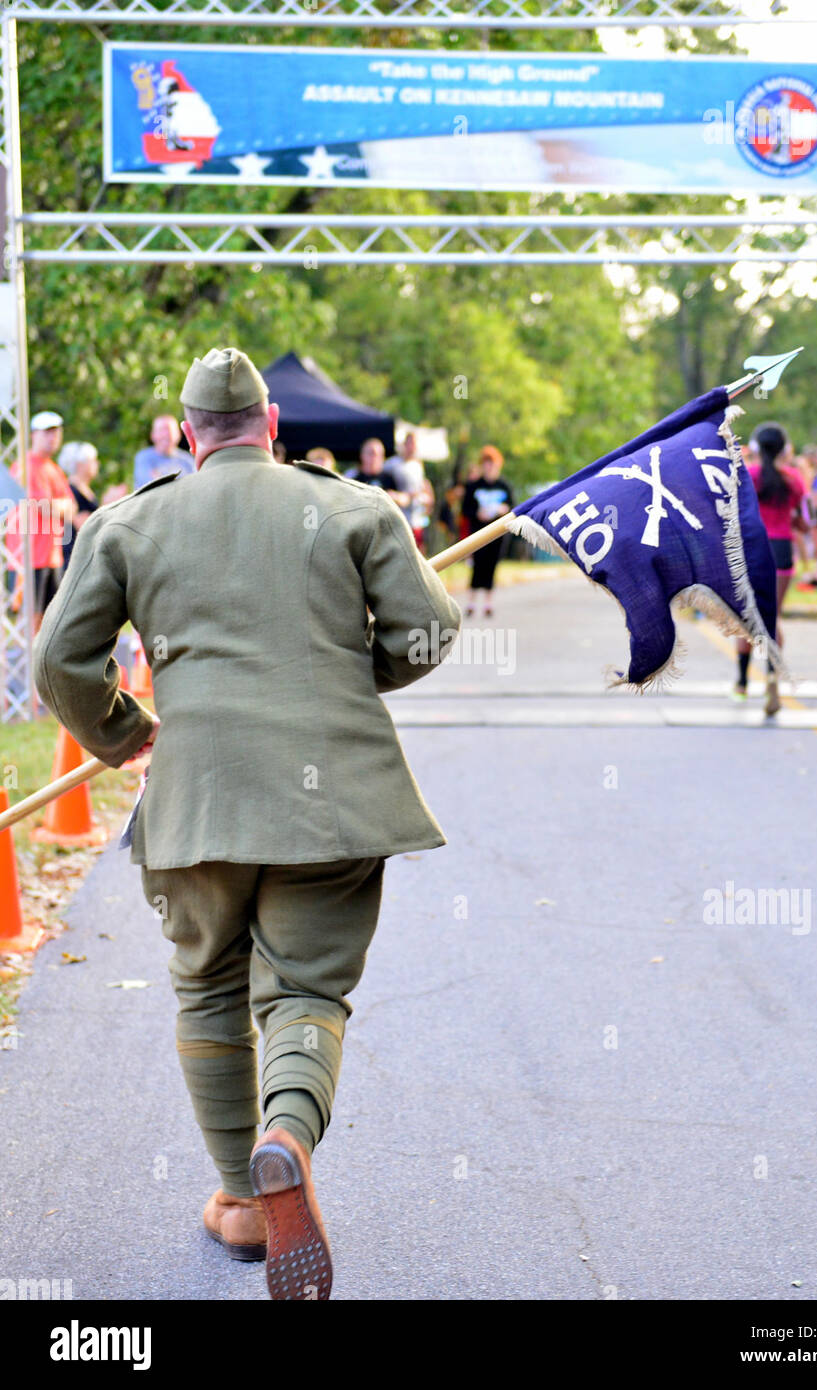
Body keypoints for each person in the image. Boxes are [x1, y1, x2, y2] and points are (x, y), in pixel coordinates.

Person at [33, 347, 461, 1302]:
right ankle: (286, 1139)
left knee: (209, 990)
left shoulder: (127, 523)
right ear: (275, 426)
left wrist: (128, 733)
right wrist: (350, 677)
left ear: (186, 437)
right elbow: (427, 634)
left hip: (198, 800)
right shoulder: (355, 507)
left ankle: (237, 1197)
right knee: (307, 992)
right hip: (335, 800)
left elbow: (60, 665)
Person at [734, 422, 806, 715]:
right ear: (783, 448)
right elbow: (803, 518)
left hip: (753, 551)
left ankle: (741, 683)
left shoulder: (748, 476)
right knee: (771, 619)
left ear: (756, 447)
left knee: (747, 619)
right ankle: (772, 677)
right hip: (782, 552)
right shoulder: (794, 480)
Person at [4, 410, 77, 632]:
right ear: (34, 435)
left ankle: (40, 666)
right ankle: (26, 667)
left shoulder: (53, 469)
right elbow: (46, 508)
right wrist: (59, 506)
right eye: (47, 432)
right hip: (28, 557)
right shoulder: (25, 466)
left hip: (50, 557)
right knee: (30, 622)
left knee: (50, 621)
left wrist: (59, 507)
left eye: (56, 432)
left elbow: (71, 508)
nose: (52, 437)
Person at [461, 446, 515, 619]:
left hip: (497, 534)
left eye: (492, 464)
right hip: (478, 531)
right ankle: (471, 602)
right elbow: (465, 509)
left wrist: (503, 510)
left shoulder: (505, 486)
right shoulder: (474, 486)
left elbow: (514, 509)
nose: (489, 467)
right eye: (486, 463)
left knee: (491, 566)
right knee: (477, 566)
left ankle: (488, 603)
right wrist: (477, 513)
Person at [388, 431, 434, 553]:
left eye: (414, 444)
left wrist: (427, 499)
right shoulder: (393, 464)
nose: (412, 447)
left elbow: (423, 486)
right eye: (410, 444)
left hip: (417, 517)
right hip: (399, 516)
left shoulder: (417, 465)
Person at [58, 442, 101, 570]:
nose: (97, 464)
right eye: (92, 461)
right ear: (80, 465)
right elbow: (81, 521)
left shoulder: (84, 488)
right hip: (73, 553)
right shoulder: (70, 489)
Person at [346, 437, 410, 511]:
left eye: (378, 454)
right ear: (362, 455)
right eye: (370, 453)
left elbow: (405, 499)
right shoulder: (354, 479)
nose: (374, 458)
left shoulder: (389, 478)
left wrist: (394, 497)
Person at [133, 414, 195, 489]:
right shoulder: (144, 458)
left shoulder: (187, 460)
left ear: (178, 434)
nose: (165, 435)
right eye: (161, 430)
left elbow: (194, 486)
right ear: (152, 435)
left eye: (169, 430)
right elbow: (150, 487)